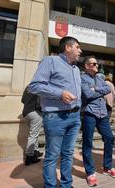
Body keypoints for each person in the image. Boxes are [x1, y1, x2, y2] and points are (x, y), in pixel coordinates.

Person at [29, 36, 82, 188]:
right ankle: (50, 186)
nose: (80, 50)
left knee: (68, 153)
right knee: (52, 156)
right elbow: (34, 86)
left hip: (74, 117)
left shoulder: (76, 69)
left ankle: (66, 184)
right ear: (68, 48)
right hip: (55, 117)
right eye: (77, 47)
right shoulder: (49, 61)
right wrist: (59, 94)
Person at [81, 56, 115, 187]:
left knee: (109, 138)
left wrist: (95, 89)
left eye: (97, 64)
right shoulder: (82, 78)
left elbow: (107, 89)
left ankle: (107, 166)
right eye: (94, 64)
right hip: (89, 112)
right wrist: (98, 91)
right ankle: (90, 172)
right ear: (87, 66)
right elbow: (87, 95)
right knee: (88, 142)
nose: (97, 66)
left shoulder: (100, 77)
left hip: (103, 113)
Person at [21, 85, 43, 166]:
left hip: (26, 113)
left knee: (34, 133)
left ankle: (35, 153)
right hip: (35, 112)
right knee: (33, 134)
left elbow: (23, 100)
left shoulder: (28, 87)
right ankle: (29, 156)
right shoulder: (39, 86)